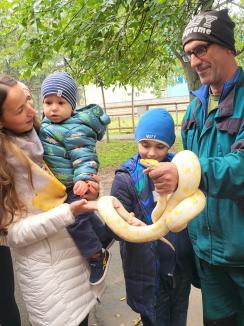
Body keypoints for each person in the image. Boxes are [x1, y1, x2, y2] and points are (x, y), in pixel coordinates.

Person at [148, 9, 244, 326]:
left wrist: (188, 173)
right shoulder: (195, 107)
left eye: (201, 49)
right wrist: (172, 183)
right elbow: (188, 174)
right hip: (208, 256)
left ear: (227, 47)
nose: (194, 60)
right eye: (190, 53)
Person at [0, 75, 105, 326]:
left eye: (28, 101)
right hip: (50, 285)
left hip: (77, 267)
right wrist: (69, 212)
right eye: (19, 109)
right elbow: (12, 235)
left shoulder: (42, 136)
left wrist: (88, 190)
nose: (32, 111)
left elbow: (69, 181)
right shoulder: (4, 164)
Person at [110, 108, 196, 326]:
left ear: (169, 146)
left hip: (178, 270)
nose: (150, 152)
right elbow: (114, 228)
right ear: (137, 141)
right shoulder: (125, 179)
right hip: (147, 275)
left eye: (160, 146)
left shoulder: (180, 172)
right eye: (145, 144)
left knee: (178, 320)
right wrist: (127, 222)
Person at [39, 72, 113, 285]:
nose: (53, 108)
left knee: (74, 220)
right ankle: (104, 235)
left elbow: (85, 157)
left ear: (72, 106)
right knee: (84, 214)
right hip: (58, 184)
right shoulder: (45, 126)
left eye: (61, 102)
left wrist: (84, 178)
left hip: (74, 183)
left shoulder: (75, 129)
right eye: (48, 102)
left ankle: (97, 256)